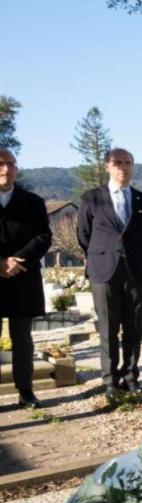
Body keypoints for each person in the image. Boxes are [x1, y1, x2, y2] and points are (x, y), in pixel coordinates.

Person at [77, 148, 142, 402]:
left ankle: (131, 376)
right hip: (104, 271)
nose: (123, 167)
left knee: (134, 326)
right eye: (117, 162)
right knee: (108, 328)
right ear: (107, 167)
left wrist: (134, 253)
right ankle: (110, 381)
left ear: (133, 166)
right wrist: (104, 254)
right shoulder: (92, 198)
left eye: (127, 162)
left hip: (135, 270)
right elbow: (83, 235)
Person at [0, 149, 51, 409]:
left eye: (11, 164)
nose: (6, 169)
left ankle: (26, 390)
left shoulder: (32, 201)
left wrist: (17, 261)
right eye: (1, 164)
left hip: (23, 277)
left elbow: (43, 236)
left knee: (22, 338)